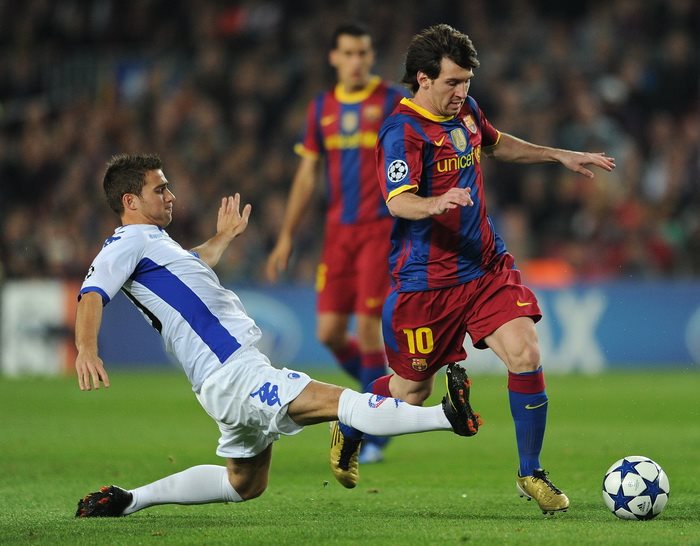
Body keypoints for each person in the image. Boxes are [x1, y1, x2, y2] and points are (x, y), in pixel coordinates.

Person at [74, 152, 477, 518]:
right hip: (232, 370)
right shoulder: (126, 242)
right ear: (130, 201)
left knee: (244, 484)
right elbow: (92, 293)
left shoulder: (153, 244)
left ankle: (131, 500)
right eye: (160, 189)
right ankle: (445, 416)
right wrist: (86, 349)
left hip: (222, 377)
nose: (171, 196)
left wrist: (223, 237)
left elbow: (192, 263)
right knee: (340, 402)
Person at [331, 24, 616, 514]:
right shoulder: (402, 132)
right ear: (423, 78)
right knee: (410, 392)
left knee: (525, 352)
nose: (461, 92)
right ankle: (350, 421)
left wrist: (557, 155)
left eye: (466, 82)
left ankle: (531, 472)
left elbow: (496, 143)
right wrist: (435, 202)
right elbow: (398, 202)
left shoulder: (465, 111)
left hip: (484, 267)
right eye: (452, 82)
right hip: (426, 282)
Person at [266, 23, 409, 464]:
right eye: (348, 53)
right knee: (329, 333)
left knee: (366, 330)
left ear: (371, 56)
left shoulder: (391, 100)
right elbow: (307, 175)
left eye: (363, 53)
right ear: (334, 57)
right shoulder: (321, 108)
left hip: (379, 229)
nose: (356, 61)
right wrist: (286, 235)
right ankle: (376, 398)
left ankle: (373, 430)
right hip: (338, 234)